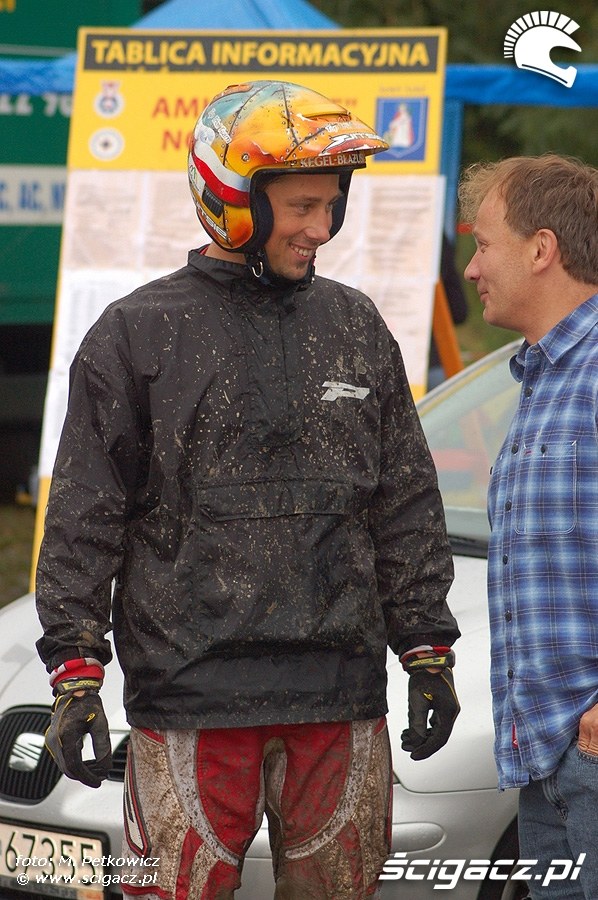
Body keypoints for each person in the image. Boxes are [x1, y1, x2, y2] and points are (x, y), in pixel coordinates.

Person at [36, 80, 460, 900]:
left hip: (339, 698)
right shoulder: (135, 332)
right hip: (187, 701)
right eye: (302, 206)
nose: (322, 228)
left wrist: (427, 651)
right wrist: (75, 674)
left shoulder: (356, 324)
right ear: (233, 200)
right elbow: (86, 516)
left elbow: (404, 503)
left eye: (331, 206)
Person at [459, 153, 598, 899]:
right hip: (546, 758)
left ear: (542, 249)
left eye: (484, 244)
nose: (472, 268)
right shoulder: (541, 375)